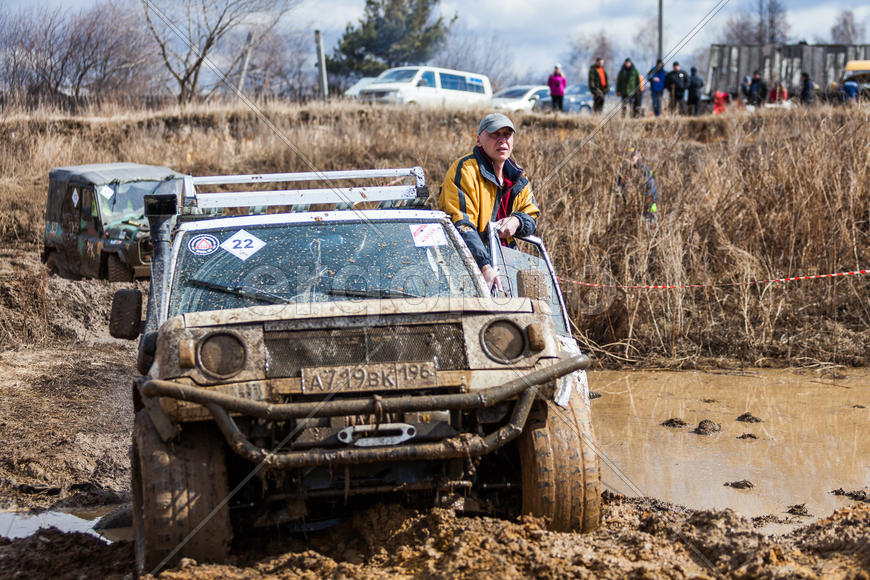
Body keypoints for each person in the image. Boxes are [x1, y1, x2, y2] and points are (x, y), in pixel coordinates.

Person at [439, 113, 539, 290]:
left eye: (507, 135)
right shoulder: (465, 170)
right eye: (494, 134)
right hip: (467, 269)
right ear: (479, 140)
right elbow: (461, 225)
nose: (502, 140)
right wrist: (484, 267)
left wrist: (516, 221)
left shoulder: (518, 177)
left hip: (507, 266)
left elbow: (532, 216)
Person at [616, 148, 658, 222]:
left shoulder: (644, 170)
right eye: (628, 156)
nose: (629, 159)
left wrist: (646, 201)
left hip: (646, 201)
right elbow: (619, 185)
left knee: (648, 218)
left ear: (637, 157)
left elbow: (651, 187)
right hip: (631, 204)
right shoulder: (623, 169)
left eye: (632, 156)